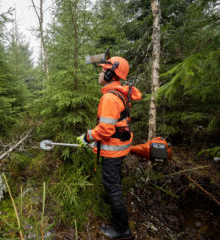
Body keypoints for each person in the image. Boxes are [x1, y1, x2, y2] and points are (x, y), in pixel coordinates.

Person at [77, 56, 141, 240]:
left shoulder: (109, 98)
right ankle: (113, 200)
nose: (100, 72)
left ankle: (122, 231)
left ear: (111, 73)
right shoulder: (121, 92)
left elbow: (105, 129)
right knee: (114, 183)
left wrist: (87, 137)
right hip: (120, 146)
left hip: (113, 149)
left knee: (112, 186)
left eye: (103, 69)